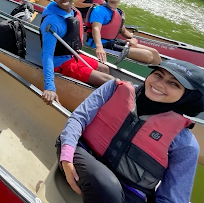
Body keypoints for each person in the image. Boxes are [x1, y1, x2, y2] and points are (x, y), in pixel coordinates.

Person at [58, 59, 204, 203]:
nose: (159, 84)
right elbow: (78, 118)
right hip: (79, 158)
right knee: (107, 186)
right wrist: (66, 155)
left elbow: (172, 198)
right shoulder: (114, 88)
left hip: (127, 193)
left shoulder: (186, 144)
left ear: (188, 95)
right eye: (158, 75)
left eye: (173, 84)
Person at [40, 0, 113, 105]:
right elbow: (47, 54)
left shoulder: (73, 11)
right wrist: (49, 87)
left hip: (72, 55)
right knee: (110, 81)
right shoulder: (51, 22)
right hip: (60, 63)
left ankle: (91, 97)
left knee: (105, 69)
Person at [86, 0, 162, 65]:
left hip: (112, 42)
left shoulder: (120, 12)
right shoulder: (99, 10)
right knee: (147, 55)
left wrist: (133, 38)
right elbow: (96, 29)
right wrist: (99, 47)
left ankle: (163, 74)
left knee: (154, 52)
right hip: (100, 43)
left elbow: (123, 31)